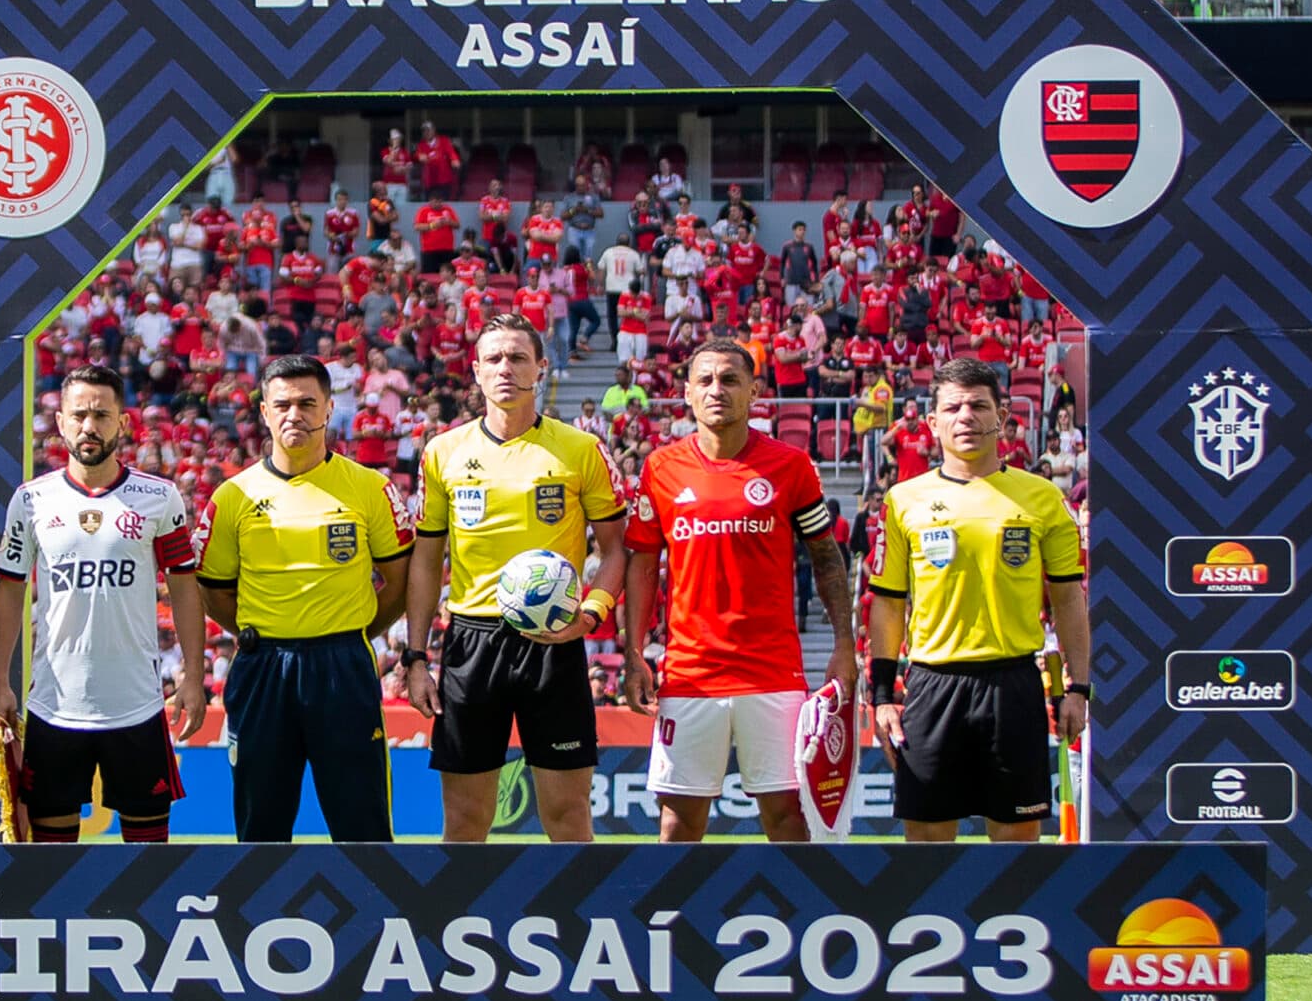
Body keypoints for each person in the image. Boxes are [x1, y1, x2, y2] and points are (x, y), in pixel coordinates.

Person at [621, 339, 854, 842]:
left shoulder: (791, 466)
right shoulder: (660, 469)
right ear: (686, 392)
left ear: (755, 391)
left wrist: (844, 644)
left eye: (729, 380)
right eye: (704, 380)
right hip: (689, 674)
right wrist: (634, 650)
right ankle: (674, 922)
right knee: (679, 821)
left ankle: (801, 923)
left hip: (772, 671)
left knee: (789, 817)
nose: (716, 390)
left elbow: (826, 557)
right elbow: (643, 564)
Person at [405, 315, 627, 842]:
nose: (506, 368)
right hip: (471, 642)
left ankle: (578, 925)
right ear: (477, 372)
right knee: (463, 820)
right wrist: (416, 656)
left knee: (569, 816)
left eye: (519, 357)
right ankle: (459, 926)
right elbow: (425, 559)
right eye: (495, 359)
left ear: (541, 368)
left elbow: (617, 549)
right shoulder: (443, 452)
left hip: (553, 641)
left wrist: (591, 613)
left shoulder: (579, 448)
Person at [868, 358, 1090, 842]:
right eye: (953, 407)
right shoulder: (903, 499)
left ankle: (1014, 923)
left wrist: (1079, 687)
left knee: (1016, 847)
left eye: (978, 405)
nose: (965, 416)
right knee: (927, 845)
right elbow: (887, 602)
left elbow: (1069, 599)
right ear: (932, 422)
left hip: (1013, 683)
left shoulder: (1043, 497)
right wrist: (882, 695)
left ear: (1002, 417)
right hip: (930, 684)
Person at [195, 354, 412, 841]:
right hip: (262, 666)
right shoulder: (232, 497)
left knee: (362, 825)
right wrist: (264, 632)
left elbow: (398, 583)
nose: (295, 414)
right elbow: (212, 591)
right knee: (261, 826)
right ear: (265, 413)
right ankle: (260, 917)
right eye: (283, 404)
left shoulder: (369, 487)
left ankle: (374, 917)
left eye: (307, 403)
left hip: (343, 665)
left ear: (329, 409)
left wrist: (351, 632)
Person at [0, 365, 207, 843]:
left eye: (101, 415)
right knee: (50, 857)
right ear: (61, 422)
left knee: (148, 856)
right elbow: (9, 588)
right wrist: (0, 681)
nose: (90, 426)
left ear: (122, 423)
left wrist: (192, 673)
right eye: (79, 415)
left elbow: (185, 585)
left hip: (137, 704)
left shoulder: (159, 497)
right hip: (53, 705)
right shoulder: (31, 500)